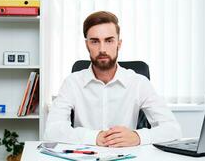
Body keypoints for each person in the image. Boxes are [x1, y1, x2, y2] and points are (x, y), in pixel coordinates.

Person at [44, 11, 182, 147]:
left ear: (119, 44)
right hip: (85, 156)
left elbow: (173, 129)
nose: (102, 49)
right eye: (95, 41)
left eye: (109, 41)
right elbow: (52, 131)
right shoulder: (72, 83)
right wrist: (93, 137)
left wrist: (138, 137)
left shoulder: (138, 82)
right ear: (87, 45)